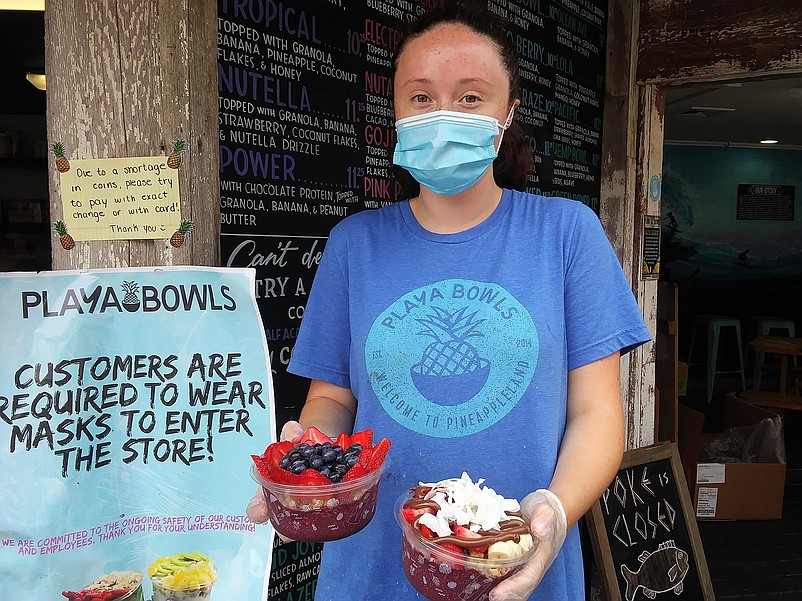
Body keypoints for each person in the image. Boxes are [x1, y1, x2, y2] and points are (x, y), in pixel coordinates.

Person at [247, 2, 650, 599]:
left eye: (470, 97)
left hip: (514, 559)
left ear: (508, 113)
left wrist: (554, 513)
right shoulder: (355, 245)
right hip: (371, 570)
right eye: (420, 97)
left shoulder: (566, 233)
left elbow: (595, 412)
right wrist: (307, 469)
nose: (443, 115)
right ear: (395, 112)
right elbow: (331, 400)